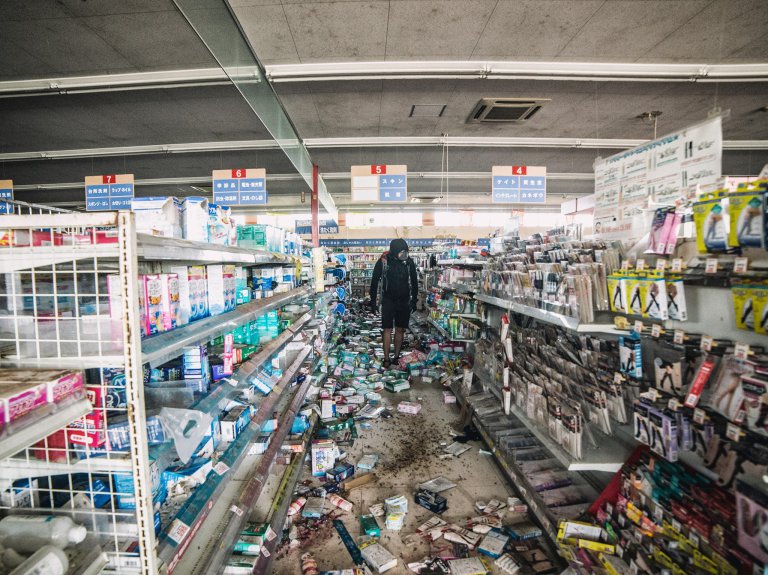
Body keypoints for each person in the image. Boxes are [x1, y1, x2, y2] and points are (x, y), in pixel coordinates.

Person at [369, 238, 418, 368]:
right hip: (388, 300)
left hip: (404, 301)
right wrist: (373, 302)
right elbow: (374, 281)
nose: (404, 254)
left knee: (400, 329)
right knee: (387, 329)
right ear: (395, 250)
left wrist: (414, 300)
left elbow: (414, 282)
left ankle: (396, 357)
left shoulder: (409, 263)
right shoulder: (383, 261)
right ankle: (386, 358)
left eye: (405, 251)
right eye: (401, 251)